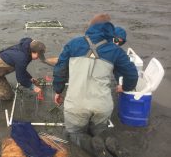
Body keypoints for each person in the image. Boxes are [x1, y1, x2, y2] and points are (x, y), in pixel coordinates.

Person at [52, 13, 138, 157]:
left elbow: (60, 69)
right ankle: (109, 141)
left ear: (90, 27)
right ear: (110, 31)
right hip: (102, 105)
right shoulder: (116, 50)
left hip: (76, 104)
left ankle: (93, 147)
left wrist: (58, 90)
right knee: (99, 130)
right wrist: (125, 87)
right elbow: (132, 74)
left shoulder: (73, 44)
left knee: (72, 133)